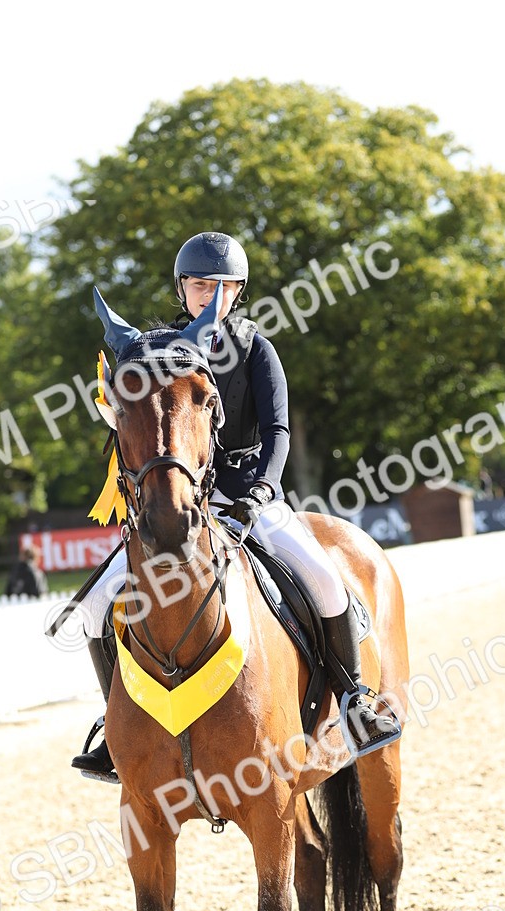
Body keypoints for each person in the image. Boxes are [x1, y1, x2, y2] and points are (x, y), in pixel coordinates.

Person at [72, 231, 400, 782]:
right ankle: (115, 727)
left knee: (324, 580)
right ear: (184, 289)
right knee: (93, 606)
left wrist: (259, 493)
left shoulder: (255, 349)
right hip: (180, 501)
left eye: (225, 286)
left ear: (239, 291)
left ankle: (353, 699)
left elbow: (277, 432)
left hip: (249, 494)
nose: (213, 295)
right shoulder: (164, 353)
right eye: (202, 285)